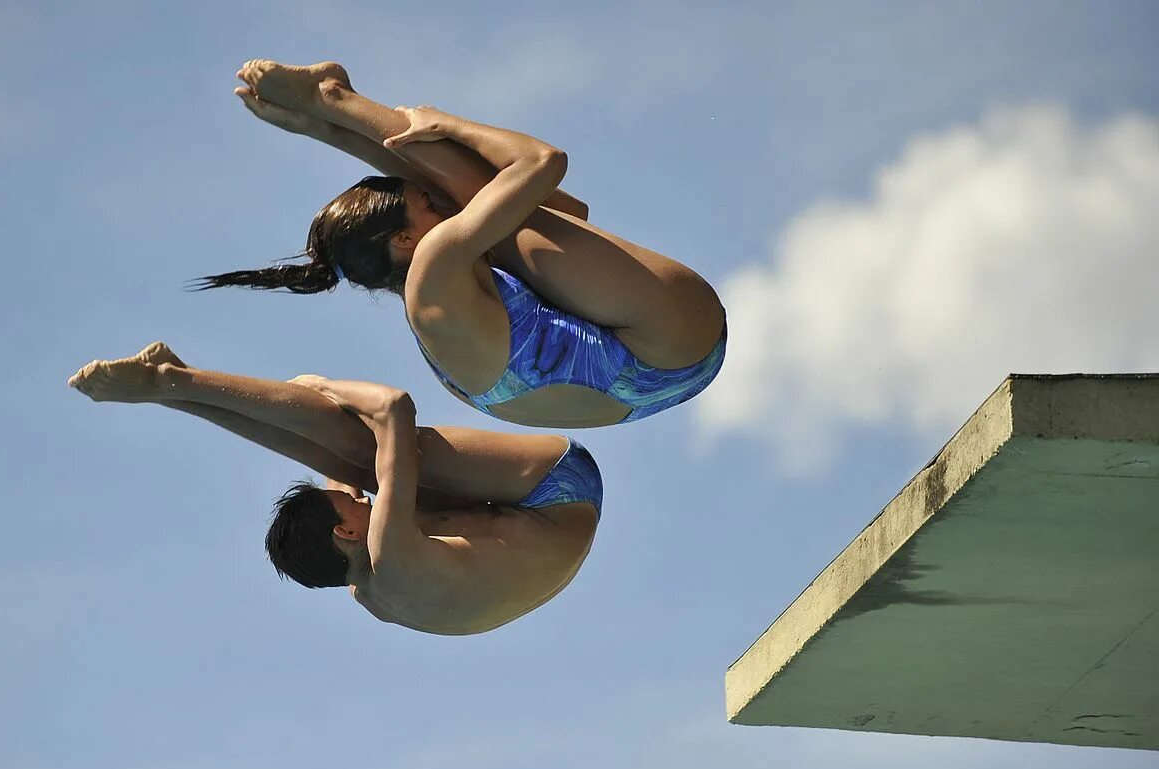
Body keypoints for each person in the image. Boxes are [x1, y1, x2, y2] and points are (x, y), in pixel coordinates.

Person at [195, 60, 727, 429]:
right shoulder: (434, 266)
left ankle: (328, 109)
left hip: (665, 374)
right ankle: (335, 98)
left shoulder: (438, 305)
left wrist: (324, 132)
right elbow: (543, 163)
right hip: (666, 346)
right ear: (404, 239)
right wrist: (445, 123)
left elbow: (568, 213)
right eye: (425, 205)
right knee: (483, 197)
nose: (441, 207)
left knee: (492, 207)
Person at [68, 343, 601, 635]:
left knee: (344, 457)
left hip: (540, 537)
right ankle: (173, 385)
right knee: (368, 445)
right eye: (348, 506)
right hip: (559, 487)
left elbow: (333, 471)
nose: (358, 498)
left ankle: (179, 393)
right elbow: (394, 408)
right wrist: (322, 386)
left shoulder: (368, 590)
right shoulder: (390, 553)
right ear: (346, 531)